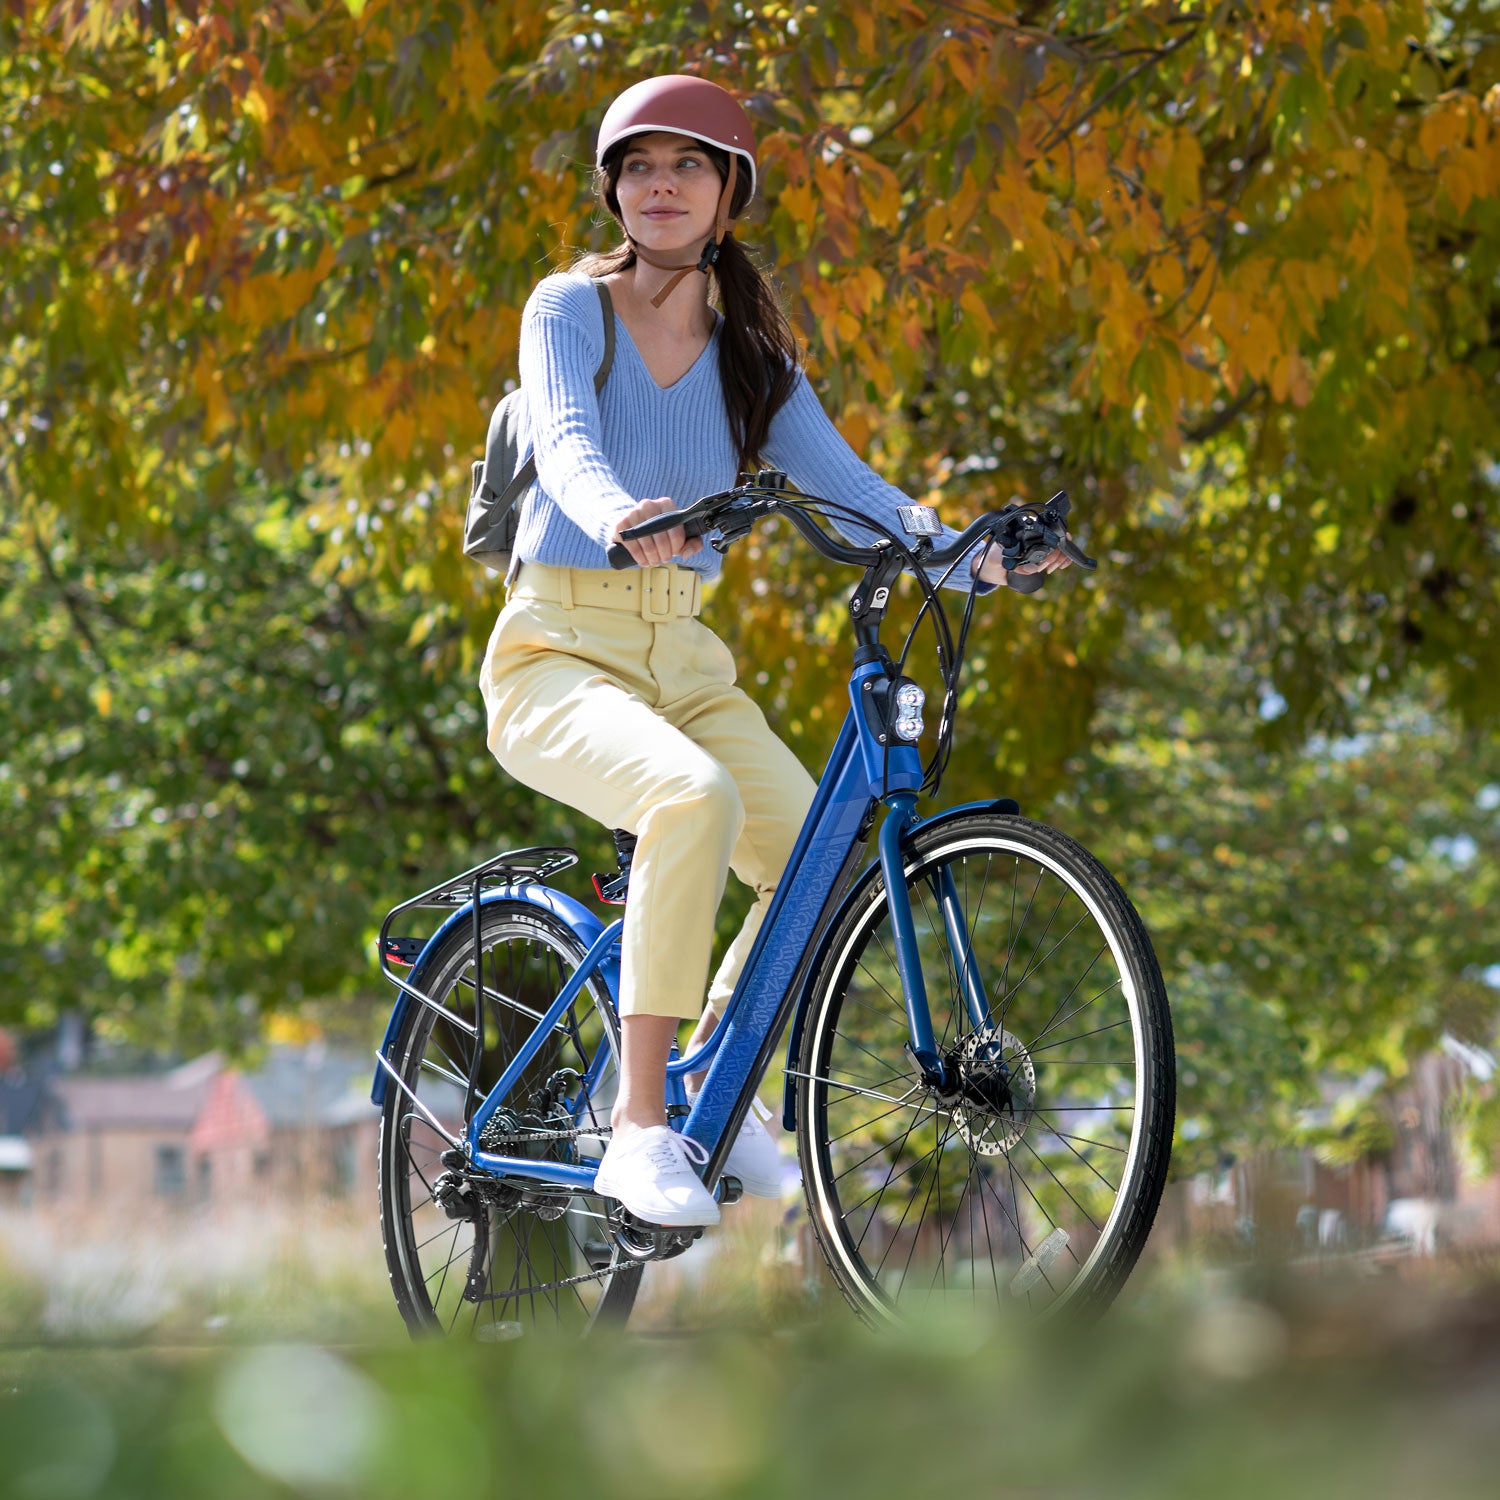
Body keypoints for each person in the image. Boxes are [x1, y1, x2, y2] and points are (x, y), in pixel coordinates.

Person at [479, 75, 1068, 1229]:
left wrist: (974, 556)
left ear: (728, 194)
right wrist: (619, 511)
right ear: (612, 187)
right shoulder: (567, 307)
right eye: (640, 165)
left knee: (813, 852)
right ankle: (640, 1132)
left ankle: (709, 1076)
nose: (661, 185)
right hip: (556, 650)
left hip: (685, 663)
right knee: (688, 799)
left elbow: (855, 494)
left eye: (688, 165)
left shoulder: (752, 356)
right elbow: (563, 438)